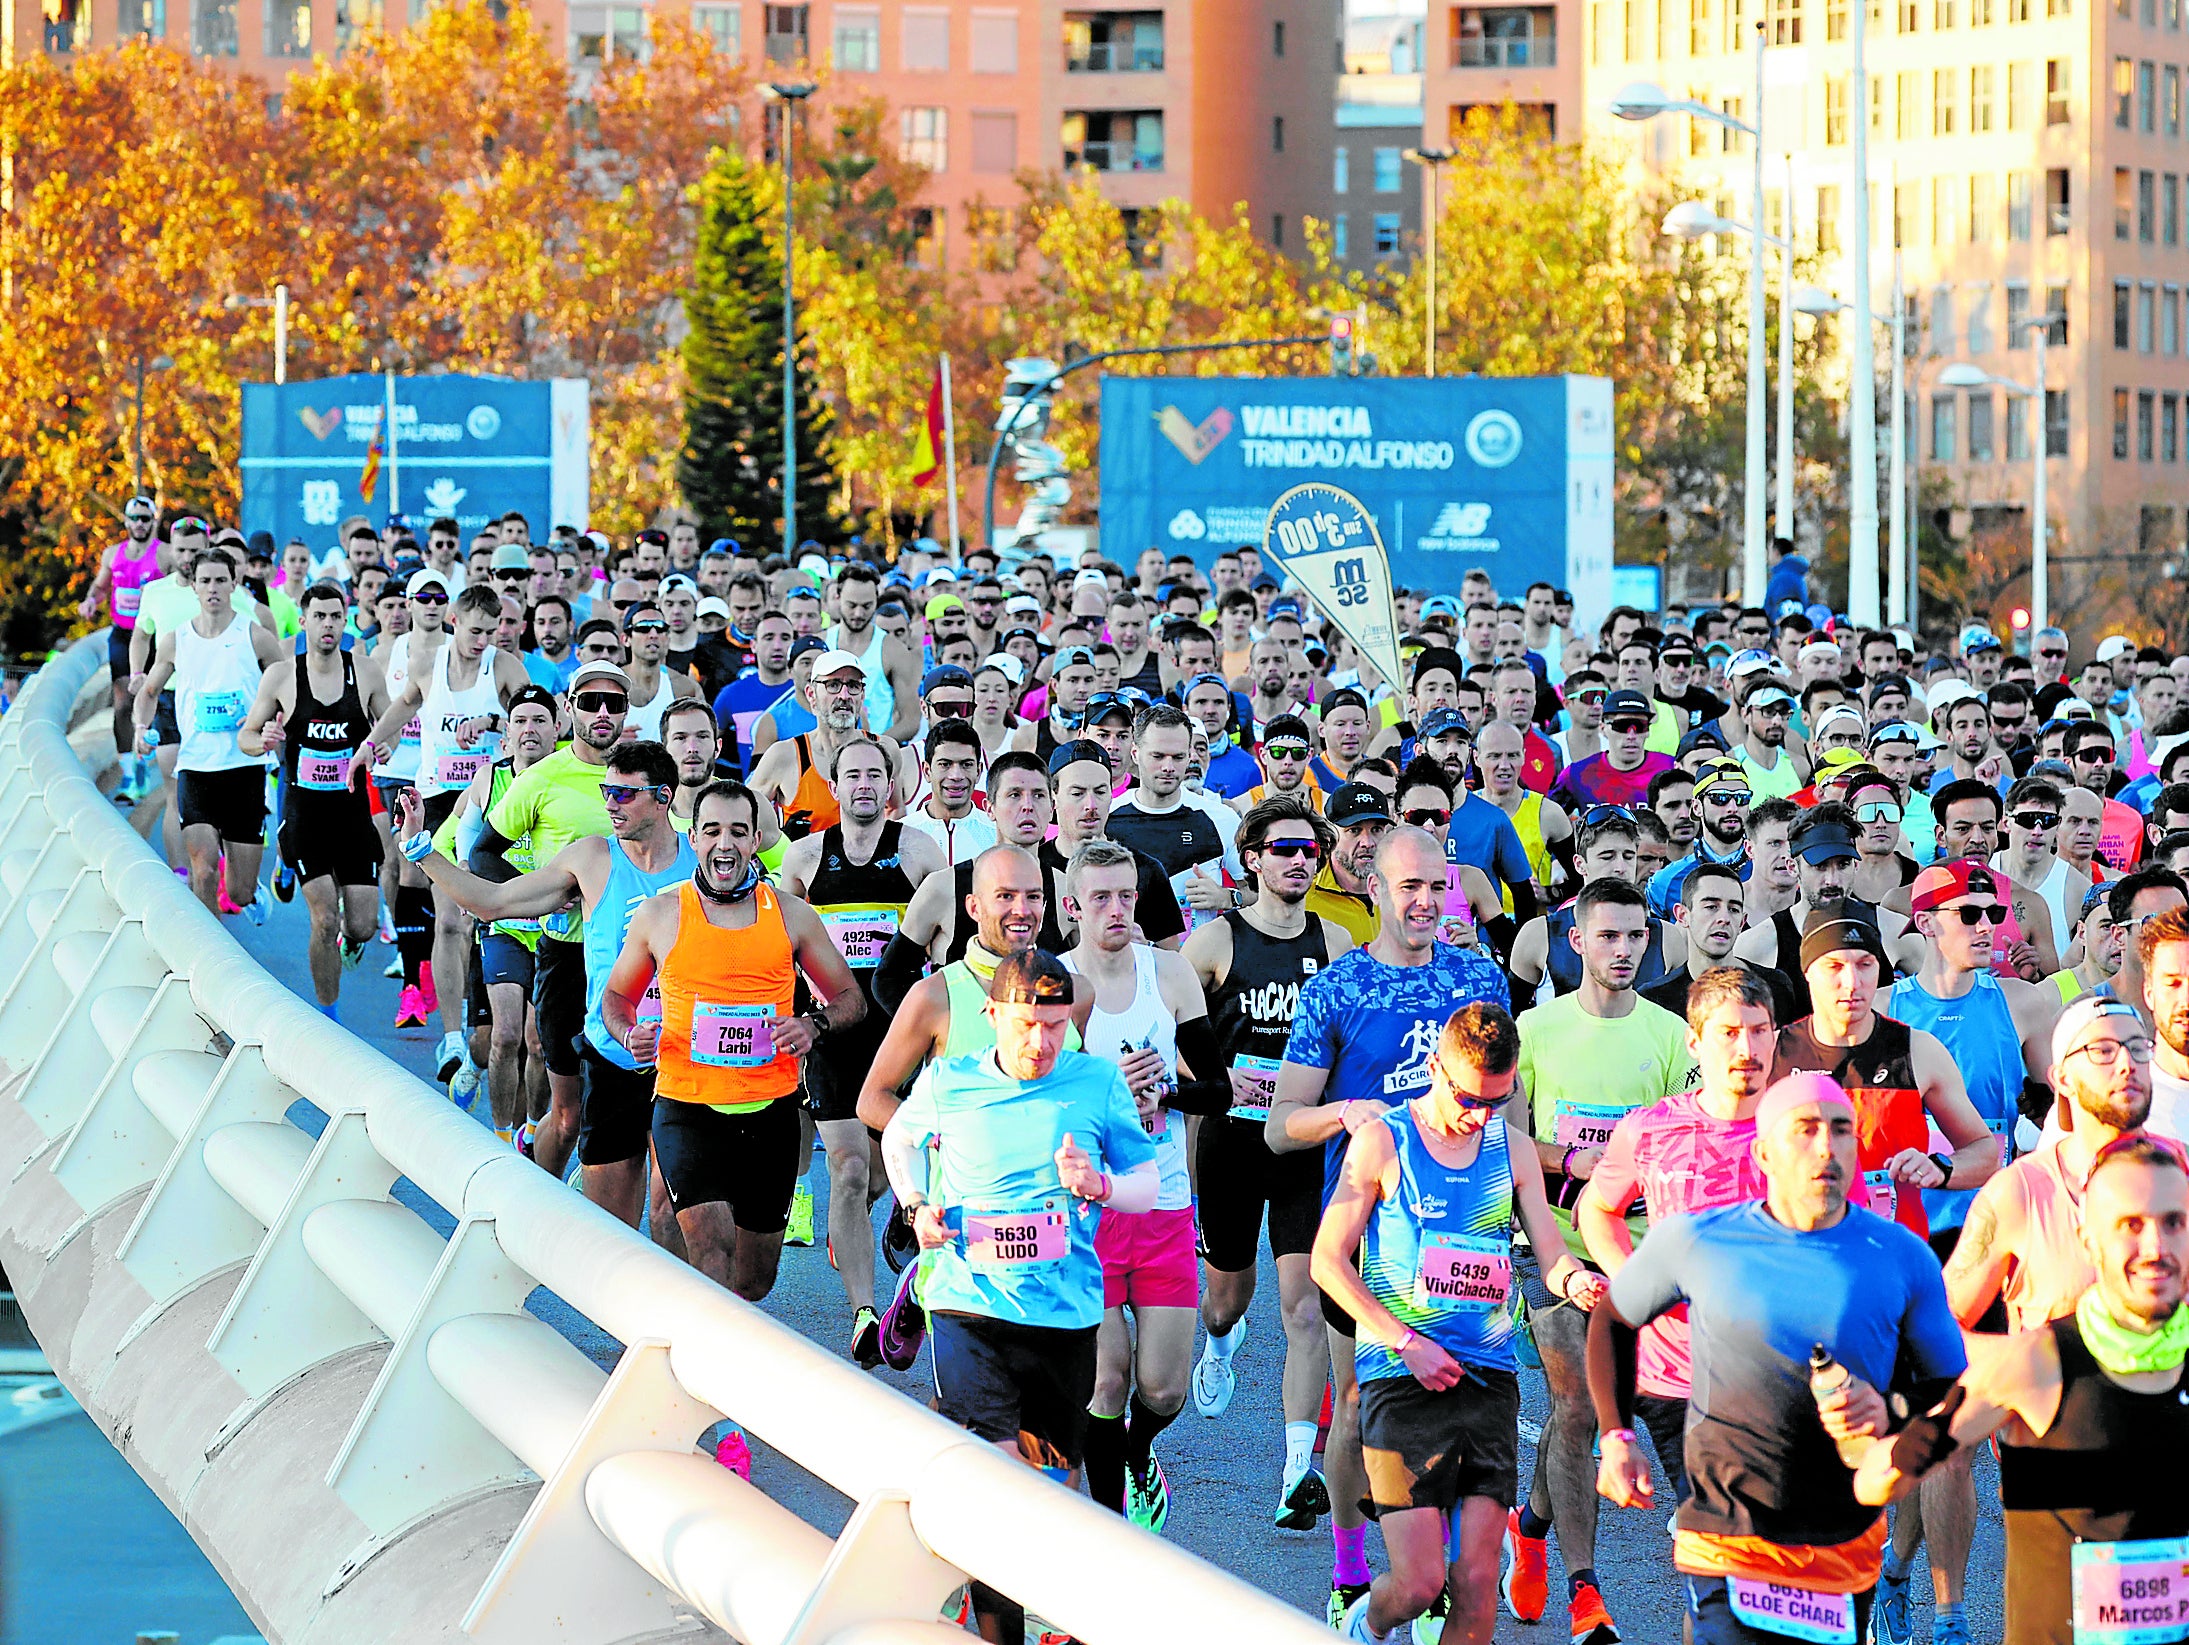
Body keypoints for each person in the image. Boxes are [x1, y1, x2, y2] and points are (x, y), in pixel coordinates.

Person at [1588, 1071, 1969, 1645]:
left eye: (1842, 1130)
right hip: (1727, 1530)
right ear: (1764, 1153)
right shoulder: (1699, 1241)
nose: (1826, 1147)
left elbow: (1948, 1385)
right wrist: (1616, 1437)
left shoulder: (1901, 1256)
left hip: (1845, 1539)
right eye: (1806, 1130)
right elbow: (1613, 1318)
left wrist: (1889, 1409)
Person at [878, 948, 1159, 1645]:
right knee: (1000, 1471)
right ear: (993, 1015)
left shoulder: (1094, 1082)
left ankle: (1016, 1599)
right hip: (967, 1302)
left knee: (1049, 1481)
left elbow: (1145, 1187)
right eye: (1027, 1024)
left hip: (1064, 1313)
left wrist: (1097, 1186)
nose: (1041, 1042)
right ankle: (1002, 1627)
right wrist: (916, 1204)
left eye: (1056, 1026)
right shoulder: (948, 1080)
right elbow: (900, 1140)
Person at [1267, 825, 1512, 1626]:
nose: (1424, 903)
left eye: (1437, 888)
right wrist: (1344, 1109)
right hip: (1368, 1224)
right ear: (1372, 886)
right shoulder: (1338, 988)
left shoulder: (1477, 976)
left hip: (1462, 1228)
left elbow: (1504, 1098)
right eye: (1408, 887)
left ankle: (1431, 1577)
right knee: (1358, 1397)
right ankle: (1347, 1567)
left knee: (1459, 1397)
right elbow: (1280, 1124)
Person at [1315, 1003, 1606, 1645]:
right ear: (1435, 1066)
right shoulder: (1384, 1140)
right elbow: (1327, 1261)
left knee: (1475, 1583)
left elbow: (1550, 1250)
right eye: (1469, 1097)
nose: (1479, 1115)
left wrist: (1573, 1280)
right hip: (1401, 1377)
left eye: (1496, 1103)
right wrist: (1406, 1342)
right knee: (1420, 1585)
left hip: (1487, 1378)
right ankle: (1366, 1624)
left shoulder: (1514, 1149)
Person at [1851, 1132, 2189, 1645]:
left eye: (2174, 1223)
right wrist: (1886, 1441)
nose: (2156, 1248)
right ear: (2088, 1238)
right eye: (2131, 1226)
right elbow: (1877, 1482)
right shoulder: (2035, 1365)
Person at [1506, 877, 1699, 1645]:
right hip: (1555, 1243)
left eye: (1634, 937)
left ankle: (1530, 1523)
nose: (1622, 950)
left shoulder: (1670, 1034)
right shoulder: (1535, 1029)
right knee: (1578, 1408)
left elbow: (1684, 1139)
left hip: (1646, 1248)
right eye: (1607, 936)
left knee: (1650, 1411)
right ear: (1576, 941)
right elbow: (1513, 1145)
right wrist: (1584, 1164)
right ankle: (1586, 1590)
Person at [403, 741, 695, 1218]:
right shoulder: (592, 858)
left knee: (669, 1215)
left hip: (684, 1056)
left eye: (625, 794)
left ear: (663, 798)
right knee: (612, 1226)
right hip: (613, 1057)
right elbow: (494, 902)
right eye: (606, 792)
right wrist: (422, 852)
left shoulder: (701, 858)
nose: (610, 804)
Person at [601, 780, 863, 1299]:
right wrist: (630, 1033)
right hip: (685, 1106)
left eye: (738, 833)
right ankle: (703, 1371)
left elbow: (850, 997)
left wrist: (813, 1025)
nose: (726, 844)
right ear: (693, 837)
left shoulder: (790, 914)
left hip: (771, 1114)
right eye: (713, 831)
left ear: (757, 839)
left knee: (754, 1279)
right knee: (711, 1248)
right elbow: (615, 998)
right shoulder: (661, 914)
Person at [1183, 796, 1357, 1527]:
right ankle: (1219, 1340)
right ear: (1250, 858)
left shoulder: (1338, 941)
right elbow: (1173, 1036)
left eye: (1307, 849)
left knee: (1305, 1304)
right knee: (1227, 1297)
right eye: (1281, 848)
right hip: (1228, 1143)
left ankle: (1295, 1472)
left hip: (1302, 1148)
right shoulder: (1214, 943)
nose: (1297, 859)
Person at [1060, 840, 1224, 1531]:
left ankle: (1135, 1450)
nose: (1116, 909)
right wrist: (1110, 1095)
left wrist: (1169, 1089)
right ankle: (1110, 1530)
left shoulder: (1171, 975)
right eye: (1100, 897)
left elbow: (1214, 1090)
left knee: (1161, 1387)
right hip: (1086, 1210)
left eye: (1126, 895)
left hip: (1161, 1201)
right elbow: (1033, 1101)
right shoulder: (1057, 982)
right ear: (1071, 906)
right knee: (1105, 1379)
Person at [1576, 966, 1782, 1506]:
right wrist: (1636, 1282)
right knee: (1725, 1538)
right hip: (1677, 1378)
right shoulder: (1649, 1128)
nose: (1748, 1047)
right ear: (1694, 1043)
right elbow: (1596, 1208)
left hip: (1777, 1375)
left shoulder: (1801, 1128)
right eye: (1730, 1033)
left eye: (1760, 1030)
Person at [777, 737, 946, 1362]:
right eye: (853, 775)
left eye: (876, 774)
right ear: (834, 783)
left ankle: (880, 1220)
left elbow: (945, 936)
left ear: (893, 783)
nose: (865, 785)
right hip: (833, 1033)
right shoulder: (803, 859)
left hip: (899, 1037)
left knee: (879, 1176)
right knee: (847, 1171)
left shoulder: (915, 850)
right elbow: (781, 943)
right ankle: (864, 1315)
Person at [1775, 904, 2000, 1237]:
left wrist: (1940, 1168)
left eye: (1865, 965)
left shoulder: (1917, 1050)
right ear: (1807, 971)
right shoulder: (1775, 1053)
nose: (1852, 982)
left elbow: (1984, 1152)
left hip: (1894, 1254)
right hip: (1802, 1257)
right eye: (1834, 966)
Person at [237, 581, 390, 1017]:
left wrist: (383, 748)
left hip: (352, 817)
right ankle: (329, 1016)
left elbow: (389, 725)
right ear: (303, 623)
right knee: (325, 920)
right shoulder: (283, 675)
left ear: (346, 622)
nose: (328, 625)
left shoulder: (365, 673)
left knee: (362, 925)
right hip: (305, 815)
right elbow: (246, 736)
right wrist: (263, 739)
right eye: (319, 616)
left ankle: (352, 941)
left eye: (335, 617)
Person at [131, 545, 285, 918]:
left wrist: (272, 721)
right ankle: (206, 959)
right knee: (203, 871)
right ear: (194, 588)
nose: (213, 588)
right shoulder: (176, 640)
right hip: (196, 767)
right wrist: (140, 727)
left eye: (220, 580)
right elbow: (150, 692)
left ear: (234, 583)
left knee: (239, 890)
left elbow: (287, 686)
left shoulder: (255, 636)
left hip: (244, 767)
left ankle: (250, 893)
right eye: (205, 581)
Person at [1106, 705, 1245, 934]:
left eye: (1178, 757)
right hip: (1129, 960)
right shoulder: (1109, 817)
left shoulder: (1220, 817)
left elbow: (1259, 893)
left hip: (1197, 962)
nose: (1168, 767)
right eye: (1158, 756)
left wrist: (1228, 897)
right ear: (1135, 754)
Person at [750, 649, 910, 841]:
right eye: (833, 685)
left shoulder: (886, 750)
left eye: (853, 685)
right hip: (807, 869)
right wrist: (782, 844)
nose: (844, 695)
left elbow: (896, 810)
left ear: (862, 695)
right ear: (811, 694)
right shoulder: (785, 755)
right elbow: (745, 815)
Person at [83, 494, 168, 801]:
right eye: (135, 518)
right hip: (123, 635)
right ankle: (131, 775)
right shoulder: (113, 554)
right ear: (126, 521)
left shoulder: (166, 555)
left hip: (155, 637)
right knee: (122, 703)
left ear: (153, 521)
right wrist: (92, 600)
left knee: (154, 700)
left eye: (146, 518)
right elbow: (102, 585)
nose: (140, 524)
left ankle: (146, 759)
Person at [1644, 861, 1750, 1019]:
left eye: (1733, 910)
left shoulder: (1775, 987)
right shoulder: (1654, 1001)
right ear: (1682, 916)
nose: (1724, 918)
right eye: (1711, 907)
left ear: (1742, 922)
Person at [1550, 690, 1676, 810]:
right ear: (1603, 728)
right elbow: (1546, 819)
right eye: (1621, 726)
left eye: (1640, 726)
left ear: (1648, 731)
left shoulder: (1670, 769)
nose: (1631, 736)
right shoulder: (1577, 774)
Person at [1307, 782, 1395, 946]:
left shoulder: (1401, 891)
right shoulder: (1304, 898)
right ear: (1329, 836)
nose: (1367, 843)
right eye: (1354, 830)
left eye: (1376, 830)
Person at [711, 609, 796, 775]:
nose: (777, 646)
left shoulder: (809, 694)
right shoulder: (731, 695)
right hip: (753, 796)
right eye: (769, 638)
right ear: (753, 645)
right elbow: (708, 748)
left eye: (785, 638)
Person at [902, 719, 998, 865]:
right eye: (945, 764)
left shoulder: (998, 835)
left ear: (978, 772)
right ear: (927, 771)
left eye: (966, 764)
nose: (956, 776)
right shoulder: (899, 836)